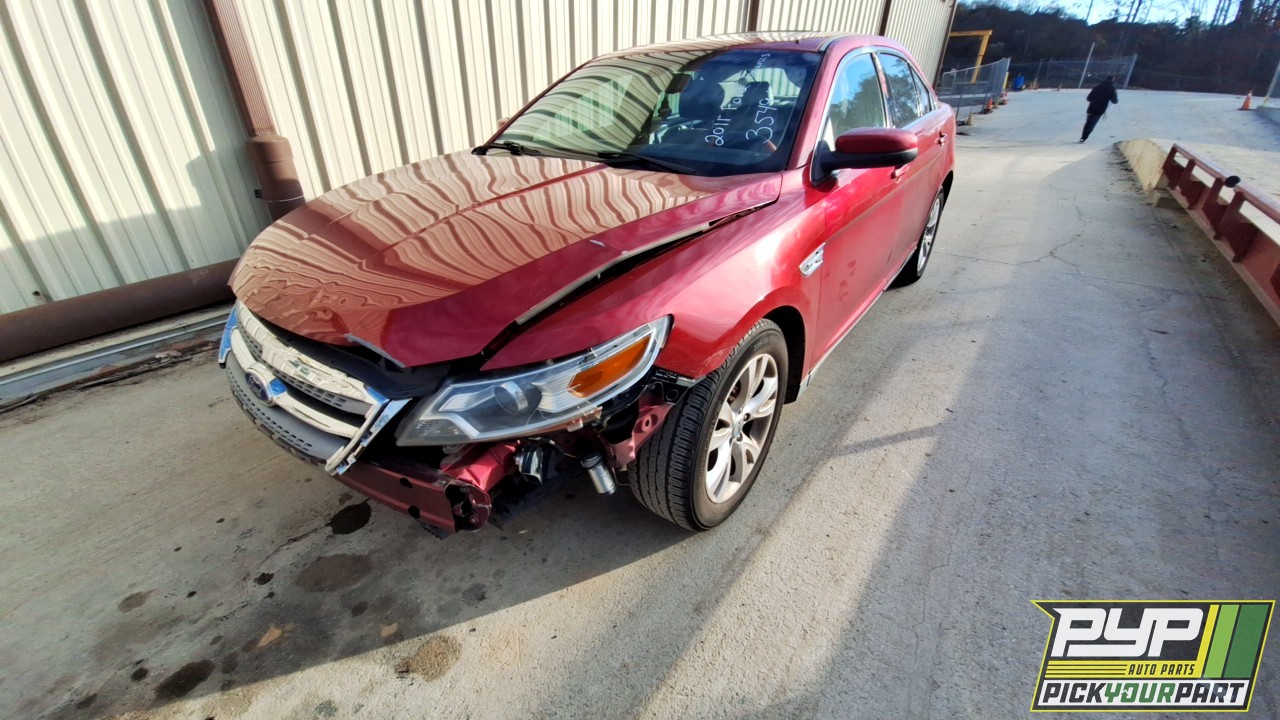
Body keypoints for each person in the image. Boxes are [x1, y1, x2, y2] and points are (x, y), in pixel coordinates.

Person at [1080, 76, 1119, 142]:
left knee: (1088, 123)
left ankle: (1083, 137)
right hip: (1101, 108)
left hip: (1091, 107)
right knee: (1092, 124)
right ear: (1112, 81)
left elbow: (1088, 98)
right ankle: (1084, 137)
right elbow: (1114, 101)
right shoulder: (1112, 89)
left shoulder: (1097, 87)